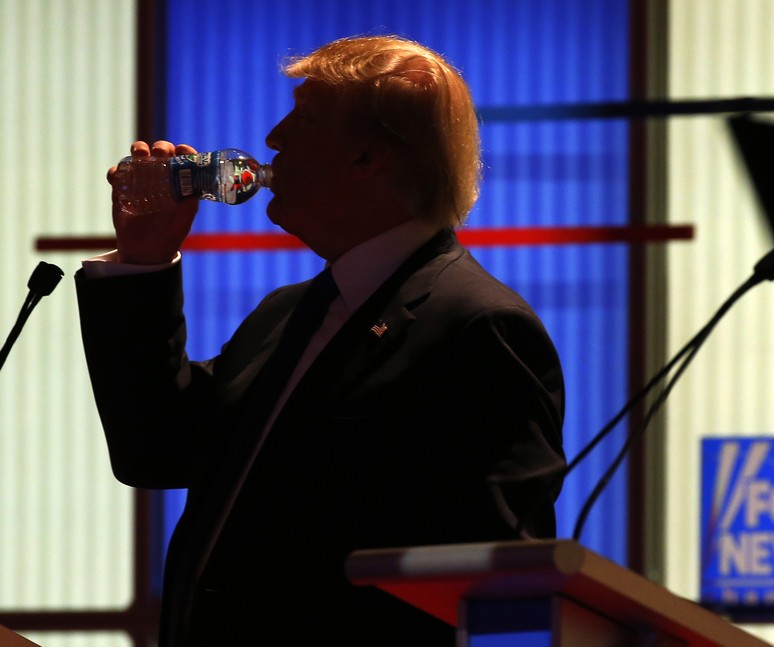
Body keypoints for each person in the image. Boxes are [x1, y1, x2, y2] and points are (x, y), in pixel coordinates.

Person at [76, 35, 566, 646]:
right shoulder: (288, 313)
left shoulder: (479, 328)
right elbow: (157, 447)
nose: (275, 138)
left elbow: (497, 592)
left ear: (367, 155)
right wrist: (143, 262)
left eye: (304, 117)